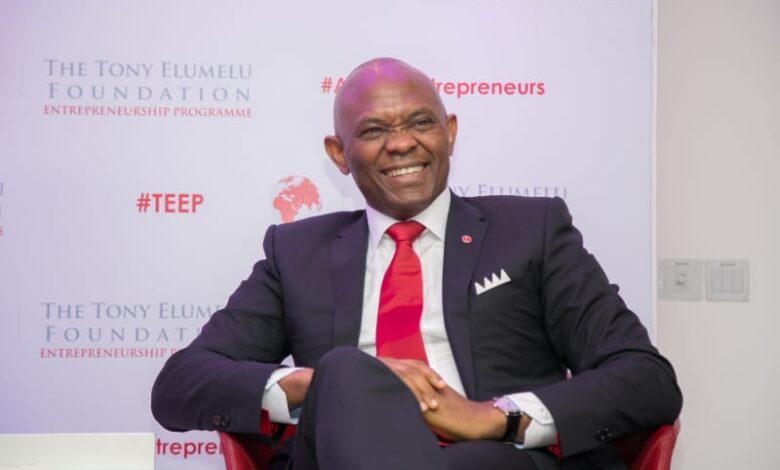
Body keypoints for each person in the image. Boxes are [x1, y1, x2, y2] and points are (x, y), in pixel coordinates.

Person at [151, 58, 682, 470]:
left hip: (493, 458)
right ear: (338, 153)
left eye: (421, 122)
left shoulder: (532, 231)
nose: (402, 144)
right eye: (373, 131)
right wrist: (320, 386)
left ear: (449, 131)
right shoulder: (296, 252)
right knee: (344, 367)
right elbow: (181, 383)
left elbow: (646, 378)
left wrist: (495, 418)